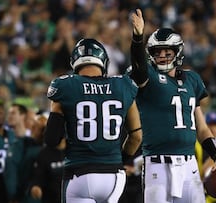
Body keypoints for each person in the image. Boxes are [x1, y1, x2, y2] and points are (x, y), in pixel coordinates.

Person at [130, 9, 216, 203]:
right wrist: (137, 38)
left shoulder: (192, 79)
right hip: (157, 164)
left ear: (177, 52)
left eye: (167, 52)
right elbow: (139, 69)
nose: (162, 56)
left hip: (189, 165)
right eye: (157, 52)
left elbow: (201, 128)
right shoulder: (148, 77)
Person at [44, 38, 143, 203]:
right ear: (103, 62)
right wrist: (119, 160)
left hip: (80, 174)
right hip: (114, 177)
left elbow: (51, 139)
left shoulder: (65, 86)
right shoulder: (123, 85)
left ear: (75, 63)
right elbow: (136, 136)